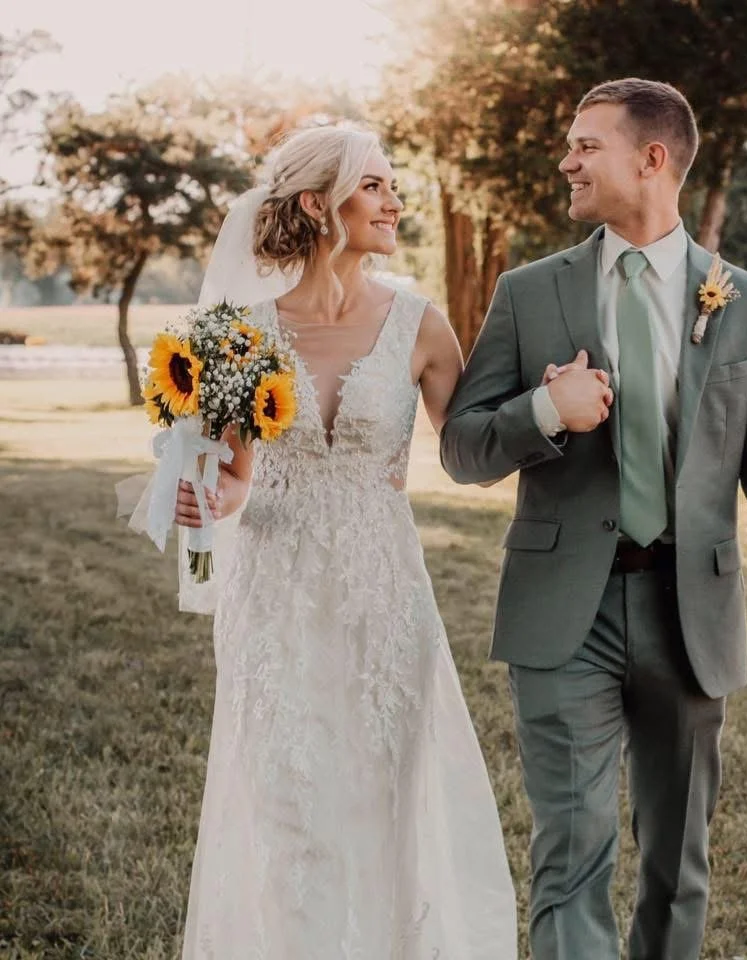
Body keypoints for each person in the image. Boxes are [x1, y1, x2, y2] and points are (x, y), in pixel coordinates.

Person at [440, 78, 747, 960]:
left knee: (677, 865)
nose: (567, 160)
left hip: (690, 613)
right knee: (570, 856)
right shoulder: (528, 292)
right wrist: (544, 414)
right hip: (560, 615)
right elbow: (463, 447)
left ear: (652, 159)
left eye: (586, 145)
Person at [173, 124, 517, 958]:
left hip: (384, 593)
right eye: (375, 185)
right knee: (290, 808)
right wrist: (212, 497)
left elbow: (472, 454)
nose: (395, 201)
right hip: (275, 595)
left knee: (387, 797)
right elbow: (240, 477)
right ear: (315, 204)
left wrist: (547, 411)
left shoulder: (420, 324)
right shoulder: (239, 334)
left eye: (393, 184)